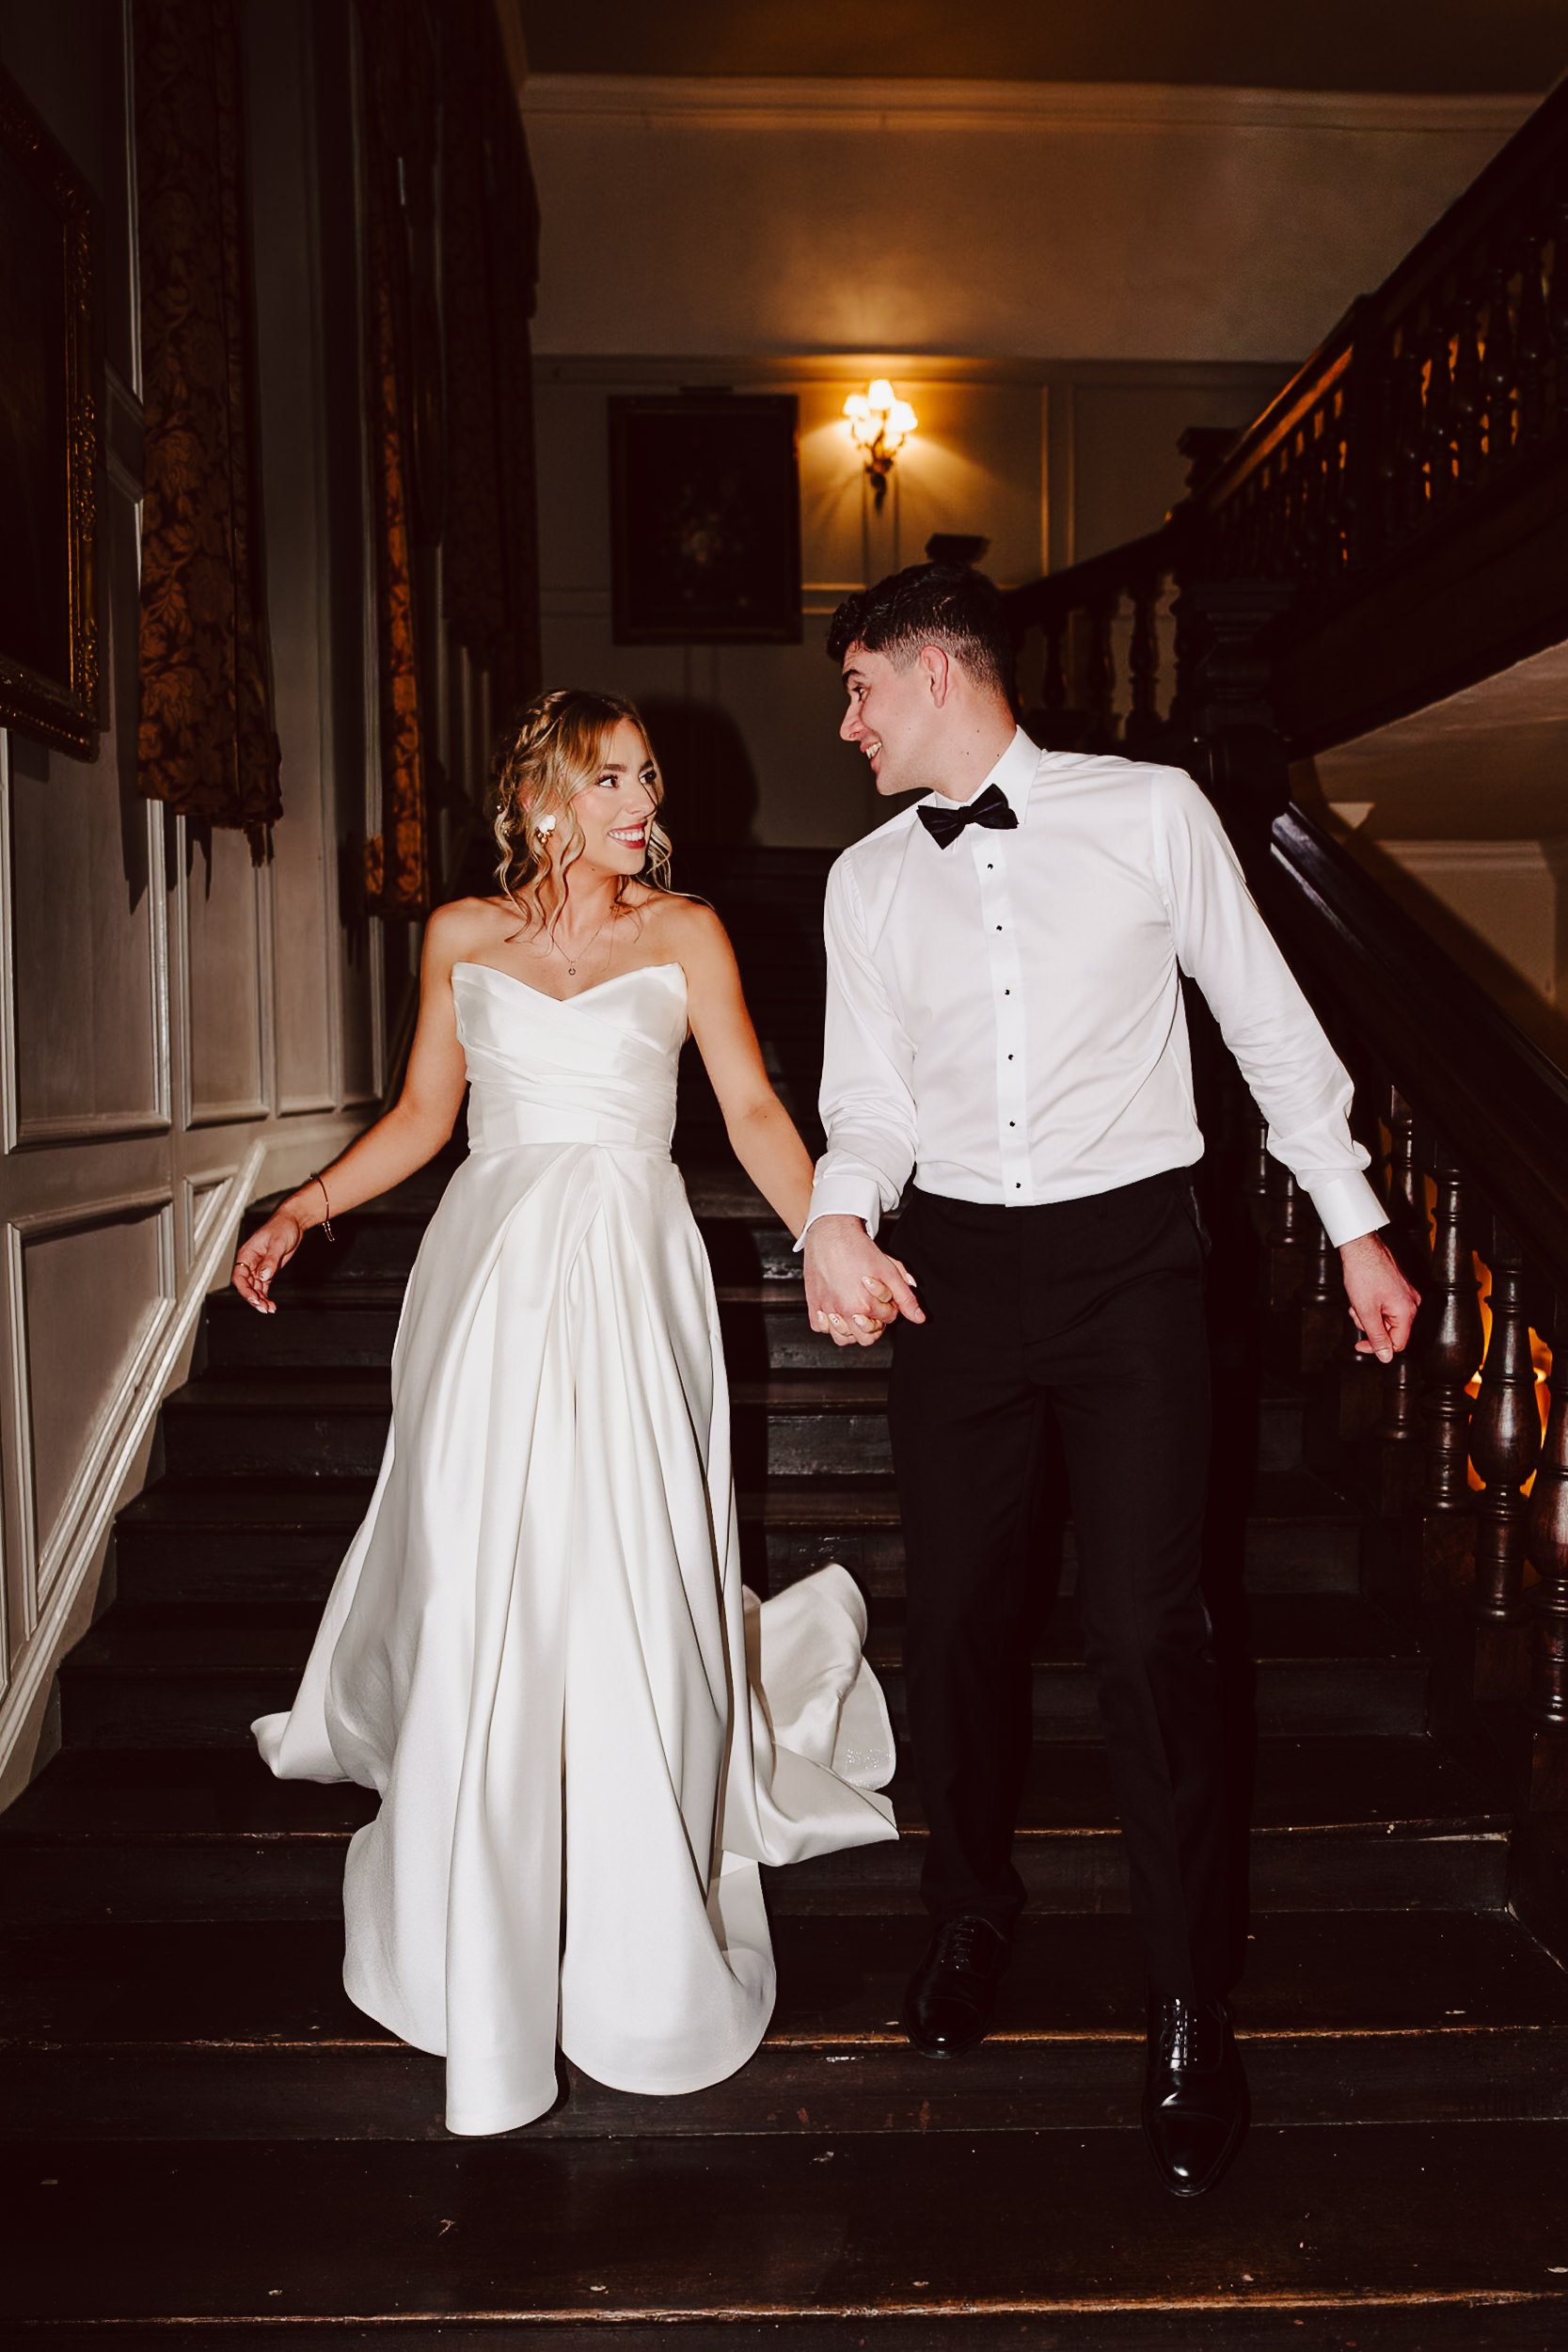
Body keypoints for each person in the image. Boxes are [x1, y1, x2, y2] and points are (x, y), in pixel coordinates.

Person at [800, 564, 1418, 2198]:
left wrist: (1354, 1223)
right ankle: (970, 1920)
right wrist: (835, 1217)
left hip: (1137, 1268)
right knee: (963, 1625)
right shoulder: (864, 885)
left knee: (1156, 1637)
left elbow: (1270, 1023)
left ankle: (1186, 2001)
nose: (848, 725)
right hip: (958, 1283)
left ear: (938, 672)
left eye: (863, 689)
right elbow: (865, 1101)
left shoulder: (1151, 812)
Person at [233, 688, 897, 2138]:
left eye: (648, 780)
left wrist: (832, 1238)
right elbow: (423, 1115)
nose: (642, 805)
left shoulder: (687, 935)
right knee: (486, 1564)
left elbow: (757, 1115)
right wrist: (305, 1206)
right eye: (612, 781)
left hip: (631, 1270)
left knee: (621, 1561)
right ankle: (480, 1880)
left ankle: (632, 1891)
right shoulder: (462, 938)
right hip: (490, 1276)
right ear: (545, 794)